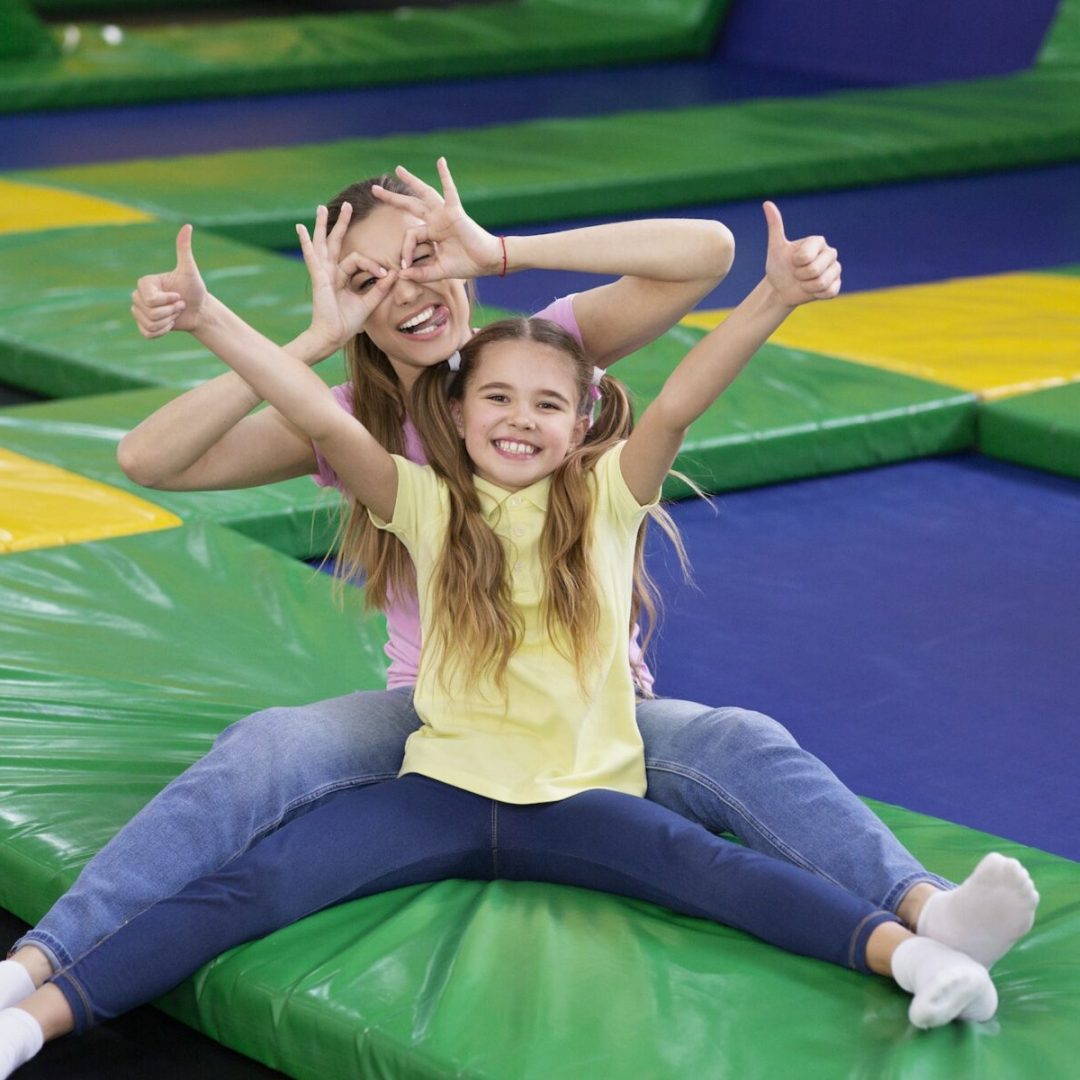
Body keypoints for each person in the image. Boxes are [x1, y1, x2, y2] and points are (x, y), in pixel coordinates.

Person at [1, 164, 1038, 1065]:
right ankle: (44, 962)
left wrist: (497, 249)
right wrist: (316, 331)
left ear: (575, 406)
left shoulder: (543, 353)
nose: (408, 287)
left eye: (420, 257)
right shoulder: (365, 425)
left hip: (587, 716)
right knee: (266, 750)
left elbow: (706, 255)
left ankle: (926, 911)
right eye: (371, 276)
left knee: (741, 743)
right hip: (436, 713)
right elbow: (151, 459)